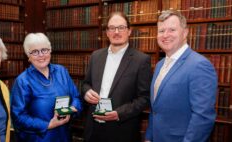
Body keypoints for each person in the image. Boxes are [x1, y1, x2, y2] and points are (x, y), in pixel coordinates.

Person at [145, 10, 217, 142]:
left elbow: (203, 117)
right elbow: (155, 109)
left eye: (172, 30)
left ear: (185, 33)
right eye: (161, 31)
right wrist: (149, 137)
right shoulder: (160, 65)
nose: (165, 35)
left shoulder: (199, 65)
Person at [82, 11, 152, 142]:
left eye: (121, 27)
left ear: (129, 31)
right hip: (93, 129)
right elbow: (86, 83)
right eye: (112, 28)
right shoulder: (96, 56)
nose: (116, 32)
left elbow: (144, 98)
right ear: (107, 32)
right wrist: (86, 92)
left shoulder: (141, 60)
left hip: (122, 131)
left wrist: (118, 114)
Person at [11, 33, 83, 142]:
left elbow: (76, 98)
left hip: (64, 136)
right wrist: (47, 125)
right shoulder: (22, 81)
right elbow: (18, 117)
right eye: (35, 52)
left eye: (44, 50)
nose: (41, 55)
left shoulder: (62, 72)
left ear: (50, 51)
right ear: (28, 56)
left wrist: (73, 108)